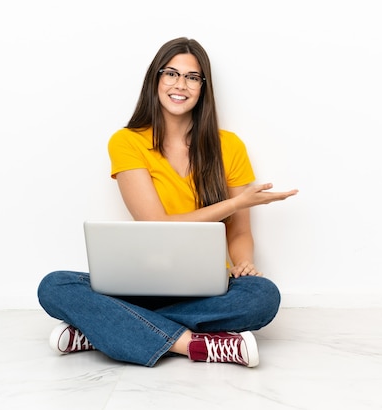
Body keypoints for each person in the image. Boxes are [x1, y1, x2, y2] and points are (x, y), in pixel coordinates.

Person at [37, 37, 298, 368]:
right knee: (54, 285)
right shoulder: (127, 142)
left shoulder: (229, 146)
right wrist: (232, 205)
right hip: (141, 282)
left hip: (207, 286)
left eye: (192, 77)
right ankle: (195, 345)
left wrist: (244, 264)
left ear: (203, 87)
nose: (180, 85)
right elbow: (154, 222)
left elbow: (239, 234)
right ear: (155, 79)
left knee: (263, 296)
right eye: (171, 73)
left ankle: (98, 330)